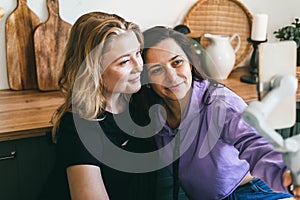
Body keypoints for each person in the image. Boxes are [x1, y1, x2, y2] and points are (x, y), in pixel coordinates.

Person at [131, 26, 298, 200]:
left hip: (251, 192)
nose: (172, 76)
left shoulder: (220, 104)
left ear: (189, 62)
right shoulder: (156, 116)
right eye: (157, 70)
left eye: (177, 62)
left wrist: (285, 175)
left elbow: (253, 142)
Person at [38, 11, 158, 200]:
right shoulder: (79, 126)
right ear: (94, 72)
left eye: (138, 53)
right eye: (125, 61)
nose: (139, 66)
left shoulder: (138, 99)